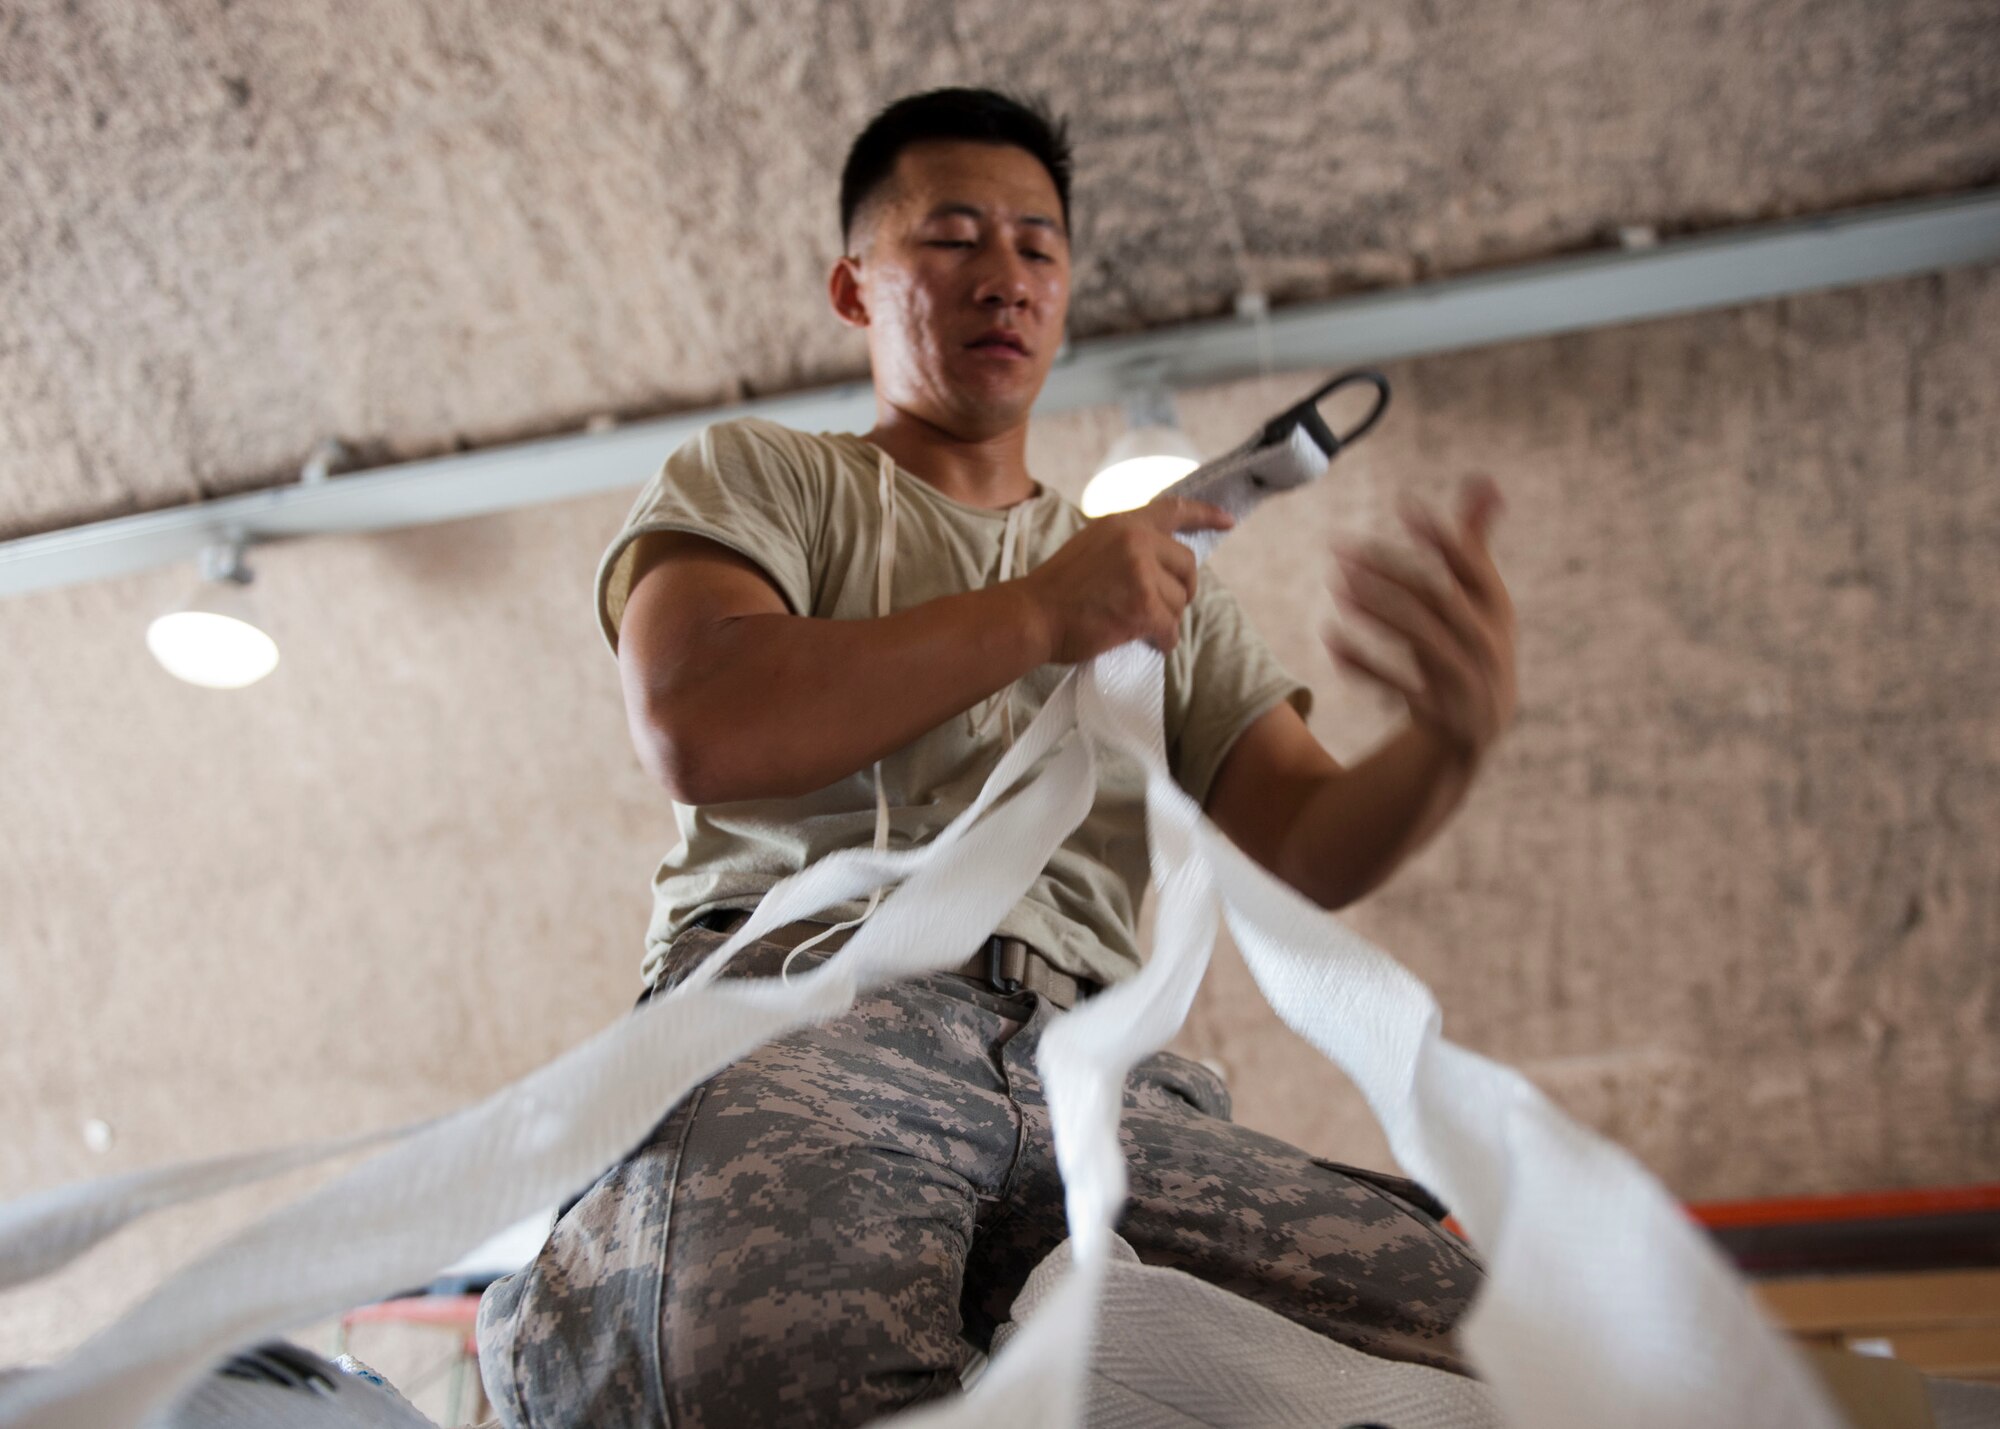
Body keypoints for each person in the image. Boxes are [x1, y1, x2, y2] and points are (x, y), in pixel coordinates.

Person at [477, 86, 1519, 1429]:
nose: (1007, 275)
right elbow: (697, 712)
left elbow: (1308, 837)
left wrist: (1447, 744)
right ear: (856, 288)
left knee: (1508, 1351)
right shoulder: (774, 481)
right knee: (748, 1360)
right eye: (954, 236)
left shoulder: (1152, 584)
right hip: (813, 1007)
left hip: (1104, 1072)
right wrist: (1041, 611)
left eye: (1038, 244)